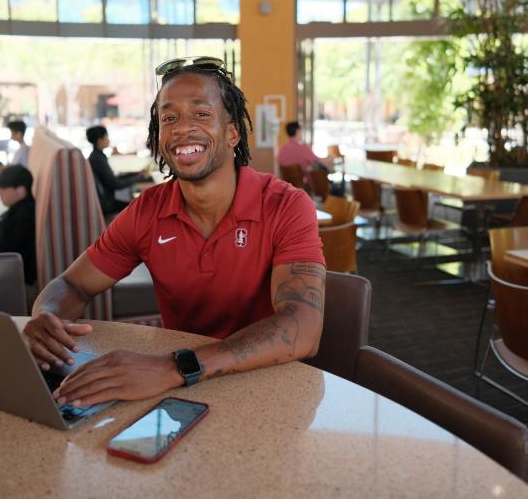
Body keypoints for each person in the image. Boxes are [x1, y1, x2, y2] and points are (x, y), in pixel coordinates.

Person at [23, 56, 326, 407]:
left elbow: (303, 326)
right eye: (169, 118)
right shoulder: (147, 211)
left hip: (269, 390)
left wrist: (174, 367)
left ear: (232, 133)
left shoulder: (286, 205)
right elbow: (72, 284)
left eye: (200, 113)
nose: (182, 127)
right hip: (182, 392)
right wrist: (46, 316)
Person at [86, 125, 151, 215]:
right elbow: (115, 184)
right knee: (143, 208)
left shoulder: (97, 156)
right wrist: (140, 177)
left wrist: (137, 174)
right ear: (100, 140)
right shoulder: (98, 159)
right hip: (108, 204)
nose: (108, 140)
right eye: (106, 137)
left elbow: (113, 179)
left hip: (107, 201)